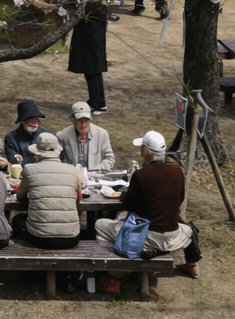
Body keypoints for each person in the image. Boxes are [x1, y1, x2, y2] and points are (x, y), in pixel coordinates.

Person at [95, 131, 200, 278]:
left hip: (145, 235)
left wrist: (126, 194)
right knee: (188, 229)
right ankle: (191, 265)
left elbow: (128, 205)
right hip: (172, 234)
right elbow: (180, 199)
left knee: (100, 224)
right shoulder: (177, 171)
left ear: (146, 152)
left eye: (142, 148)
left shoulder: (141, 174)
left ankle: (118, 270)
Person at [11, 132, 85, 249]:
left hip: (40, 239)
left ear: (37, 153)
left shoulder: (30, 169)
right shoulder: (73, 170)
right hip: (71, 238)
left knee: (17, 220)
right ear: (57, 151)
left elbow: (20, 197)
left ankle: (20, 257)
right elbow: (77, 198)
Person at [67, 0, 112, 115]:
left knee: (92, 69)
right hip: (91, 32)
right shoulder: (97, 1)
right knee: (93, 70)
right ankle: (98, 101)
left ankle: (97, 103)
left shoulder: (95, 0)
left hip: (91, 33)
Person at [56, 101, 115, 172]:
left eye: (86, 120)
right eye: (80, 121)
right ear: (73, 120)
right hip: (72, 175)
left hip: (95, 175)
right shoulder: (62, 136)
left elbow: (110, 158)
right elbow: (56, 159)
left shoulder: (102, 134)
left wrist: (97, 170)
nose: (83, 125)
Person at [2, 99, 47, 166]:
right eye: (31, 120)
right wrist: (17, 159)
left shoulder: (45, 134)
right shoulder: (11, 137)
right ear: (23, 121)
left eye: (36, 119)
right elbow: (12, 158)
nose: (35, 123)